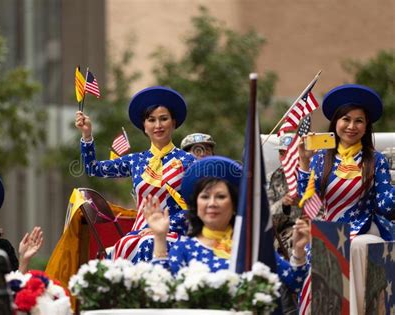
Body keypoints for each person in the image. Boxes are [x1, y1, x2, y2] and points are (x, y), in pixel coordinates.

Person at [145, 156, 310, 297]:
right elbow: (162, 292)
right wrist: (159, 237)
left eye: (221, 196)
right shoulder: (184, 248)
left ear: (234, 205)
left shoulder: (253, 247)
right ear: (196, 205)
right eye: (204, 197)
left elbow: (296, 282)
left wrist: (299, 251)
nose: (212, 203)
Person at [297, 84, 395, 314]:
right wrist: (303, 163)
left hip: (364, 230)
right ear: (336, 123)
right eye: (346, 119)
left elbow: (386, 206)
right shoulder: (321, 158)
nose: (352, 126)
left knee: (358, 246)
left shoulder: (375, 160)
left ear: (366, 126)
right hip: (329, 233)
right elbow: (308, 204)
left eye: (359, 121)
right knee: (326, 261)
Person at [75, 86, 196, 262]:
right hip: (139, 232)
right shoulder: (136, 160)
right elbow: (93, 168)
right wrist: (87, 136)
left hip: (174, 233)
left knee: (147, 244)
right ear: (144, 127)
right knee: (117, 250)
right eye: (151, 120)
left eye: (164, 119)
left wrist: (165, 225)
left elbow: (195, 207)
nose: (158, 125)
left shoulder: (189, 162)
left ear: (174, 123)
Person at [268, 134, 302, 256]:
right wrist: (283, 204)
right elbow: (268, 218)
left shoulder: (316, 172)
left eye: (291, 153)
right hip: (287, 231)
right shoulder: (275, 177)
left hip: (315, 228)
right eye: (282, 153)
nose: (286, 158)